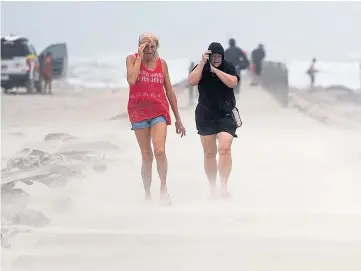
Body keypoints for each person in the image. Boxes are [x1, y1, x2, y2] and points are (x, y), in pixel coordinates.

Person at [126, 32, 186, 204]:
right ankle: (147, 193)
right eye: (146, 47)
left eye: (152, 47)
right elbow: (131, 79)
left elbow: (169, 91)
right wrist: (139, 57)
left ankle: (164, 188)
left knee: (159, 151)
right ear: (139, 46)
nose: (149, 50)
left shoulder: (162, 64)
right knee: (146, 155)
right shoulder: (131, 59)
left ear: (156, 47)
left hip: (159, 110)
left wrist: (178, 119)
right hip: (138, 112)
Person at [188, 42, 242, 199]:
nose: (217, 59)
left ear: (222, 57)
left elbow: (232, 82)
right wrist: (203, 63)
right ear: (209, 56)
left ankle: (224, 187)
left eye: (219, 56)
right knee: (209, 153)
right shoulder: (201, 67)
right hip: (205, 114)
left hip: (225, 114)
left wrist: (215, 70)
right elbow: (192, 81)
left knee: (225, 148)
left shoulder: (228, 66)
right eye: (214, 56)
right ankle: (213, 187)